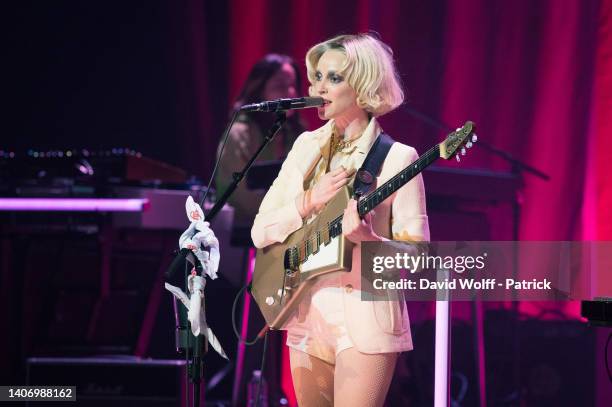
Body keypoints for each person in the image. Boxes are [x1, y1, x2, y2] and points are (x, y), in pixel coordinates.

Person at [251, 34, 430, 406]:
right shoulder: (306, 147)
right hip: (307, 316)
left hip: (367, 316)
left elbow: (418, 257)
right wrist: (306, 202)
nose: (318, 88)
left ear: (363, 85)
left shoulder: (398, 157)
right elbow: (260, 230)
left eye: (333, 78)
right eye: (316, 77)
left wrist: (369, 242)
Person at [215, 54, 306, 226]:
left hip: (286, 229)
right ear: (259, 91)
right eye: (280, 86)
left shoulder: (296, 135)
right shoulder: (239, 134)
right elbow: (243, 196)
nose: (291, 93)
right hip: (241, 235)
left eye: (293, 85)